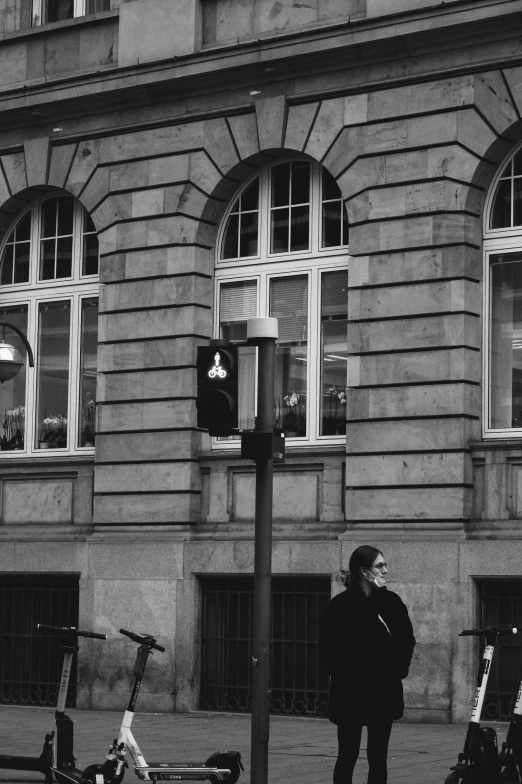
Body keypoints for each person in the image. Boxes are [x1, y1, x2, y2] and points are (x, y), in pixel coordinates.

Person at [319, 545, 416, 784]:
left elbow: (406, 640)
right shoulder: (339, 606)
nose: (386, 570)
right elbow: (328, 649)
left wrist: (397, 671)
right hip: (350, 691)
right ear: (364, 571)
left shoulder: (392, 602)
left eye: (385, 565)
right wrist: (346, 675)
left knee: (378, 756)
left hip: (382, 690)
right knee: (347, 754)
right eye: (380, 566)